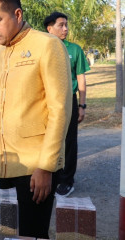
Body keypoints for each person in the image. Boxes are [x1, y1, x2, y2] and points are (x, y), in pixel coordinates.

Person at [0, 0, 72, 238]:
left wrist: (46, 167)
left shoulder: (48, 45)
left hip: (35, 168)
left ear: (18, 14)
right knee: (2, 231)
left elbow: (60, 109)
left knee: (32, 234)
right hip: (5, 162)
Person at [44, 11, 90, 197]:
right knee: (47, 138)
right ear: (49, 28)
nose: (65, 29)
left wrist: (82, 105)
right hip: (45, 100)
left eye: (66, 25)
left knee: (69, 141)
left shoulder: (74, 49)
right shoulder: (43, 47)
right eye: (61, 25)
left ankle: (66, 180)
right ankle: (49, 175)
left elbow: (80, 78)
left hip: (68, 99)